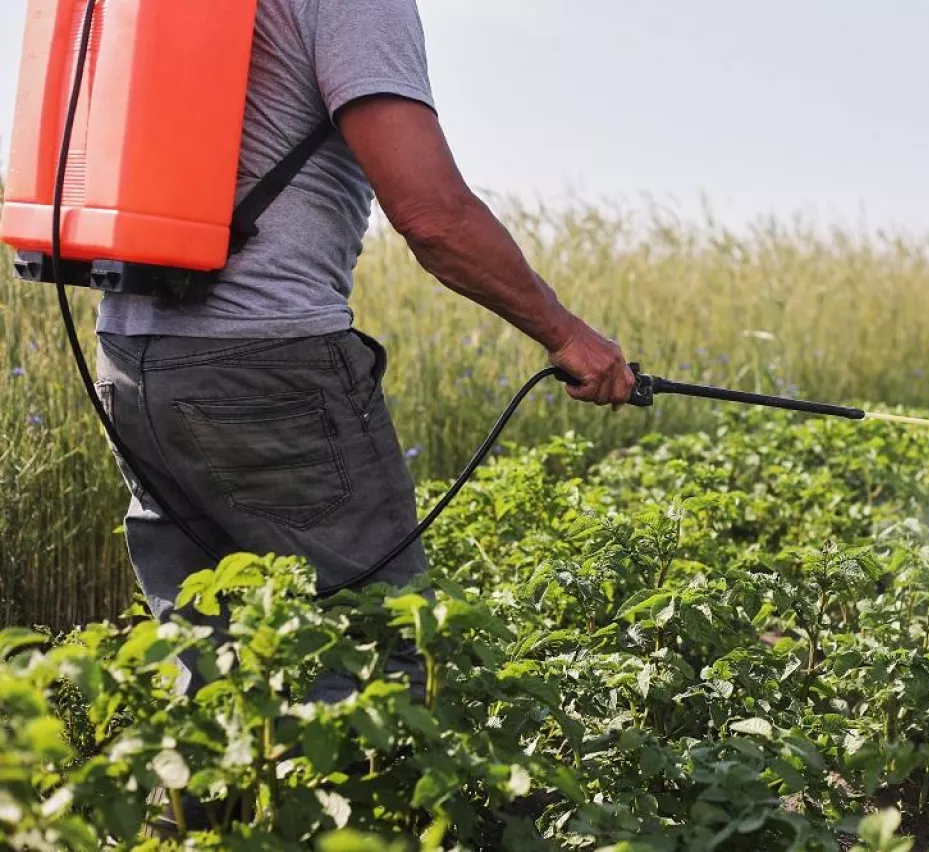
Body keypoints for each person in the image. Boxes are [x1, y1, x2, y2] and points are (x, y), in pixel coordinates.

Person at [91, 0, 634, 832]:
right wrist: (567, 335)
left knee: (207, 656)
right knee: (377, 654)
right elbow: (433, 215)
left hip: (129, 360)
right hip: (265, 363)